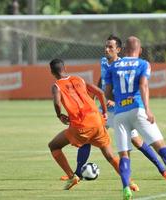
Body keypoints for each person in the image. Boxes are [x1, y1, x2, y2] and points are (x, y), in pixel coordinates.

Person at [60, 35, 166, 183]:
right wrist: (93, 97)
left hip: (121, 111)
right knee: (87, 137)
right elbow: (103, 80)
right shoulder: (103, 62)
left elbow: (130, 88)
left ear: (118, 50)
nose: (107, 49)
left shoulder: (123, 65)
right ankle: (77, 173)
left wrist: (115, 100)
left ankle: (162, 168)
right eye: (106, 46)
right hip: (103, 111)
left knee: (137, 141)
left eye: (110, 47)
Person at [105, 36, 166, 199]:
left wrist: (119, 101)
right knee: (161, 147)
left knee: (124, 155)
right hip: (138, 110)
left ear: (125, 50)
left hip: (120, 114)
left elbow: (107, 93)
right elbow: (143, 85)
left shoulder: (113, 66)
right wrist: (148, 109)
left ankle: (125, 188)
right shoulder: (143, 64)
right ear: (140, 50)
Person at [48, 58, 138, 191]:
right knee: (110, 156)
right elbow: (100, 93)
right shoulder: (79, 79)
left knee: (54, 145)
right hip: (97, 120)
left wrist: (59, 115)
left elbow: (57, 103)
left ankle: (72, 176)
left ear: (52, 72)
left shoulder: (57, 86)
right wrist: (105, 112)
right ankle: (130, 182)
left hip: (80, 126)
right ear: (64, 68)